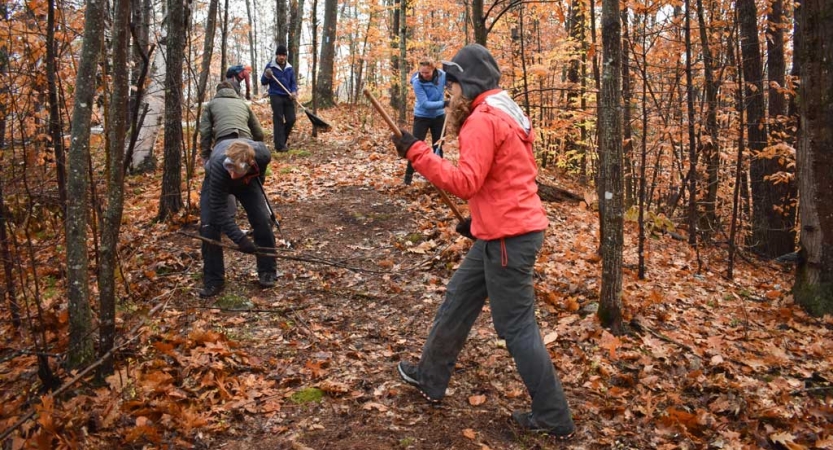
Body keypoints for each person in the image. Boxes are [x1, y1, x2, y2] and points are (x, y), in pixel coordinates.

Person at [390, 44, 576, 441]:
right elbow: (507, 177)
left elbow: (466, 182)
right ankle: (430, 376)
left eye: (453, 84)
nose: (449, 91)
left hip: (510, 237)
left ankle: (553, 416)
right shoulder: (507, 111)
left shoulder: (481, 120)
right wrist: (478, 221)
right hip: (501, 230)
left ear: (469, 83)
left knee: (517, 327)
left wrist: (417, 153)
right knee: (458, 297)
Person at [199, 139, 277, 298]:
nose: (232, 174)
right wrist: (240, 239)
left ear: (250, 164)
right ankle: (214, 280)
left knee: (263, 220)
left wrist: (254, 182)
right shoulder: (219, 167)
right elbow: (219, 209)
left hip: (247, 182)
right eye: (230, 167)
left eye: (237, 169)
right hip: (216, 181)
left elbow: (260, 173)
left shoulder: (262, 155)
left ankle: (267, 271)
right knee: (208, 228)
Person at [199, 81, 265, 218]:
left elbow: (205, 131)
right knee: (249, 175)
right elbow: (258, 131)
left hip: (223, 143)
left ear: (218, 92)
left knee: (223, 174)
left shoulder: (211, 105)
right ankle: (261, 214)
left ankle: (228, 214)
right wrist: (257, 146)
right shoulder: (243, 104)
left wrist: (205, 154)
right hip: (246, 143)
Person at [404, 60, 448, 185]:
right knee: (415, 146)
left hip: (438, 117)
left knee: (438, 146)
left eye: (427, 72)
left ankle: (438, 178)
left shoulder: (442, 75)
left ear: (433, 69)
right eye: (422, 72)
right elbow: (425, 104)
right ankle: (408, 177)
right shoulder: (417, 82)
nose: (424, 75)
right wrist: (444, 104)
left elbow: (451, 84)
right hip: (422, 116)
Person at [261, 45, 297, 152]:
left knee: (291, 119)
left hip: (288, 96)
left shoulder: (289, 68)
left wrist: (294, 92)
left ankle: (281, 141)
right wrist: (267, 75)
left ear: (286, 56)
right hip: (275, 95)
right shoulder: (270, 66)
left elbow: (293, 83)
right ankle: (280, 146)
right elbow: (263, 81)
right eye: (280, 55)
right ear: (276, 55)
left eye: (284, 55)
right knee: (278, 120)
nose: (282, 57)